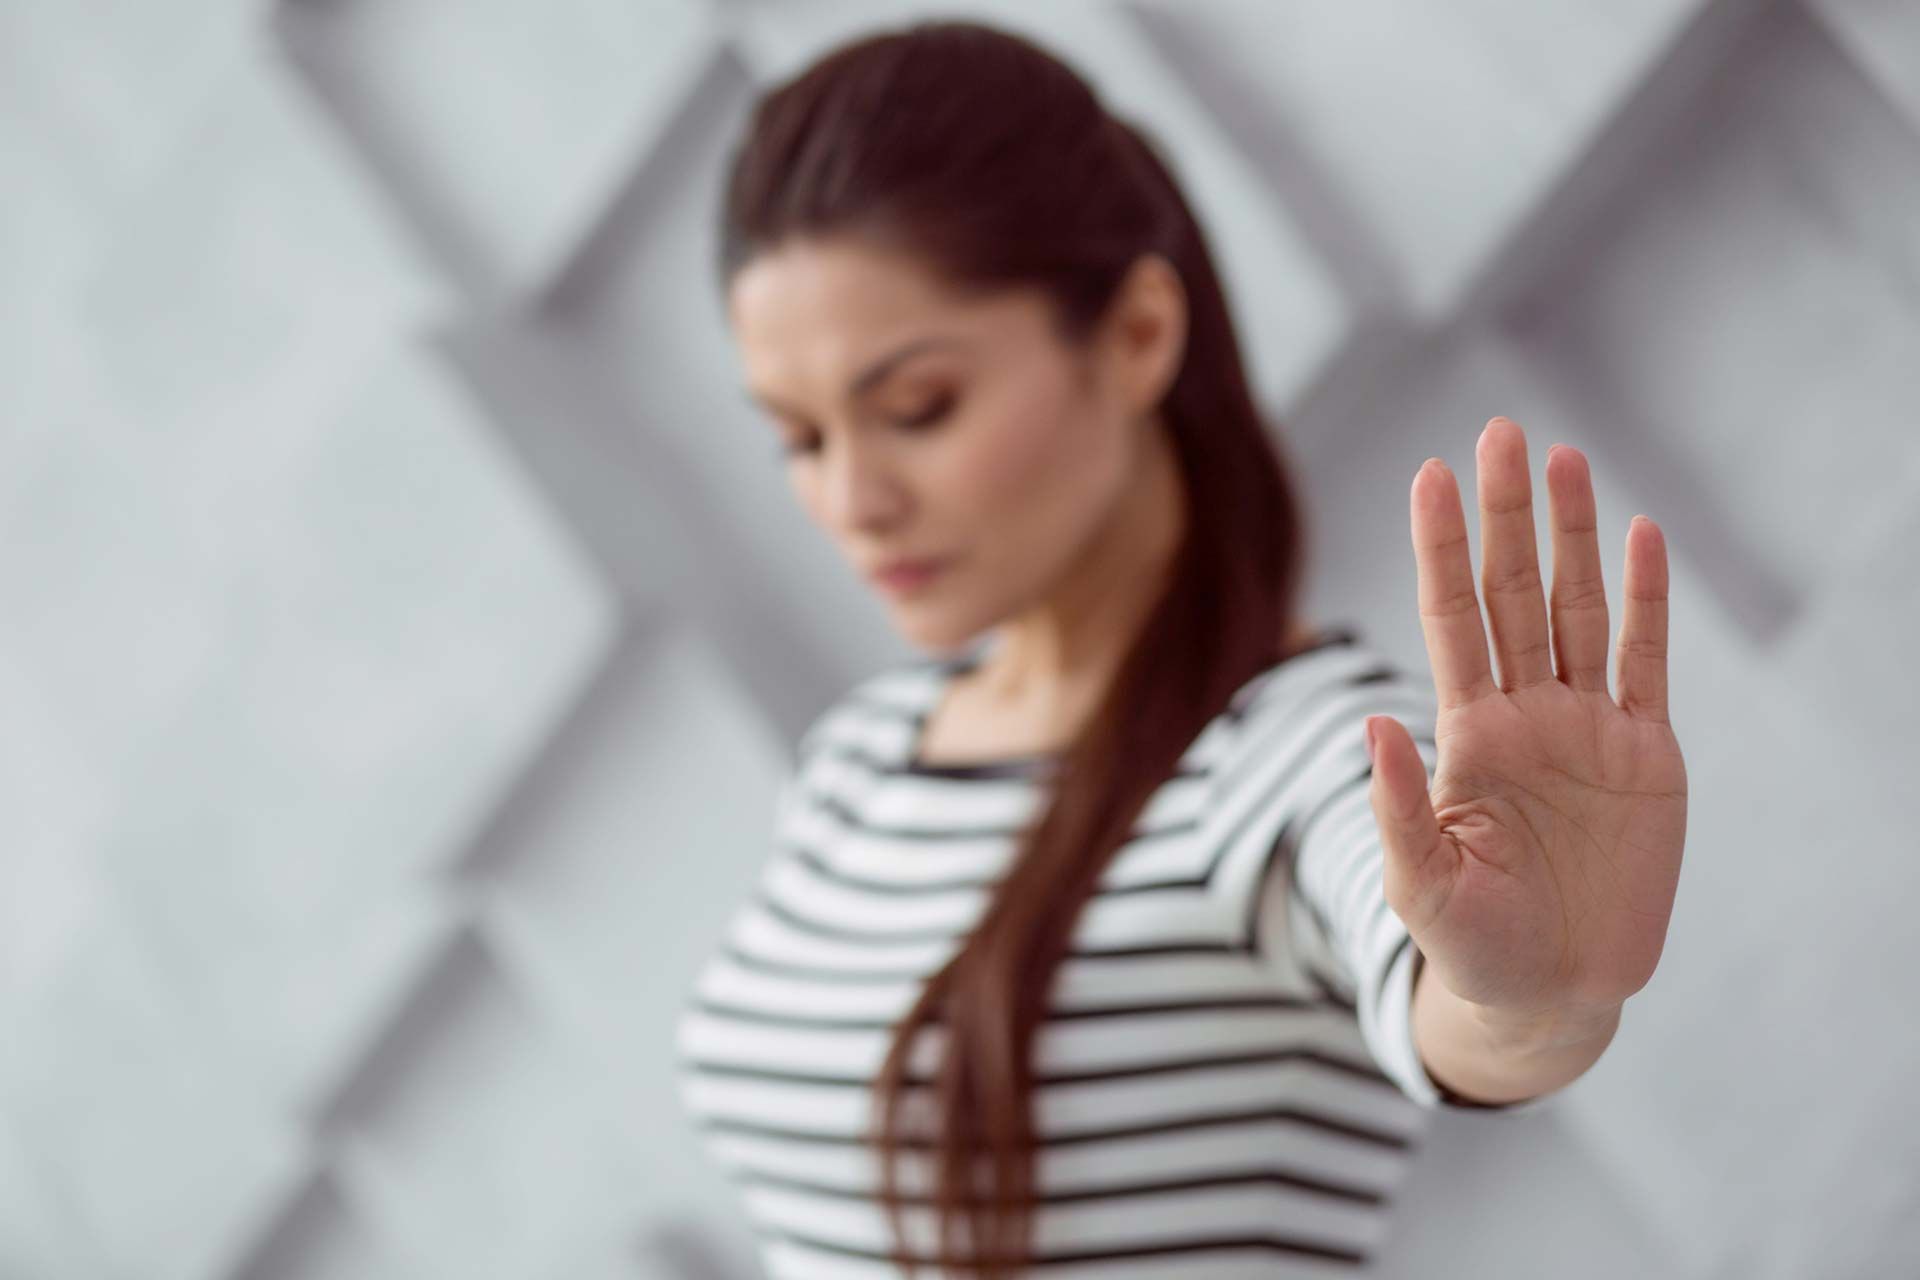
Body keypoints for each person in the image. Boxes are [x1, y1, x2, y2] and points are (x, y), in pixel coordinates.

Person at [675, 18, 1688, 1278]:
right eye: (800, 437)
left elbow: (1464, 996)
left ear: (1139, 333)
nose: (850, 498)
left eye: (916, 408)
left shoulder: (1287, 752)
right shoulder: (861, 754)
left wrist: (1540, 996)